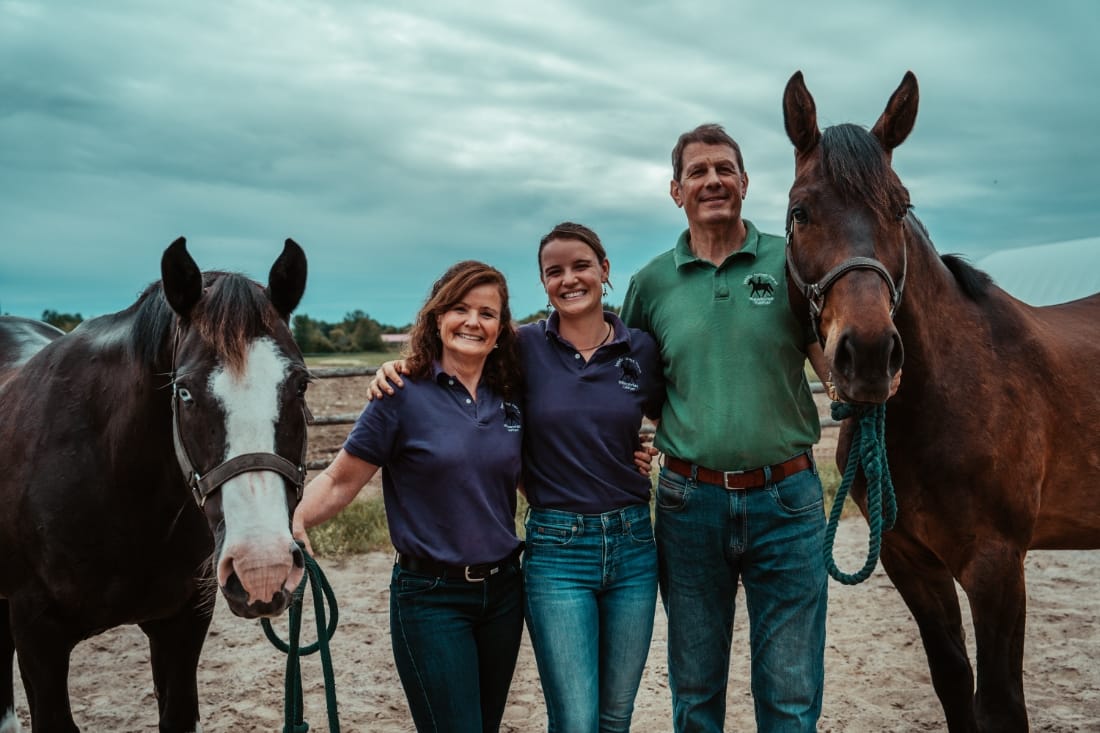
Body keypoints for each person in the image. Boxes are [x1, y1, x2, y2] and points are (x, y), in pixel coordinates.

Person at [369, 223, 665, 732]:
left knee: (616, 717)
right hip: (558, 545)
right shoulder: (522, 347)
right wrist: (400, 368)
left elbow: (676, 415)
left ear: (604, 270)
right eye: (555, 271)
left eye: (581, 266)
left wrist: (658, 449)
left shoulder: (640, 349)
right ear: (544, 282)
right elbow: (458, 354)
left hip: (634, 541)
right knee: (575, 720)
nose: (569, 279)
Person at [620, 123, 831, 733]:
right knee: (694, 688)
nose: (712, 180)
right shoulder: (652, 283)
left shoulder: (790, 262)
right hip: (690, 504)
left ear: (744, 182)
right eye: (697, 171)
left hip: (788, 501)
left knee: (790, 693)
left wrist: (861, 389)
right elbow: (624, 385)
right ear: (675, 190)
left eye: (724, 169)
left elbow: (830, 359)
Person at [292, 260, 526, 733]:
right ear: (438, 318)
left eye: (487, 313)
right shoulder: (400, 393)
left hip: (505, 593)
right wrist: (293, 520)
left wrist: (627, 456)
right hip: (431, 598)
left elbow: (544, 472)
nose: (473, 322)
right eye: (460, 308)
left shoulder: (513, 398)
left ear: (500, 330)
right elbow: (340, 480)